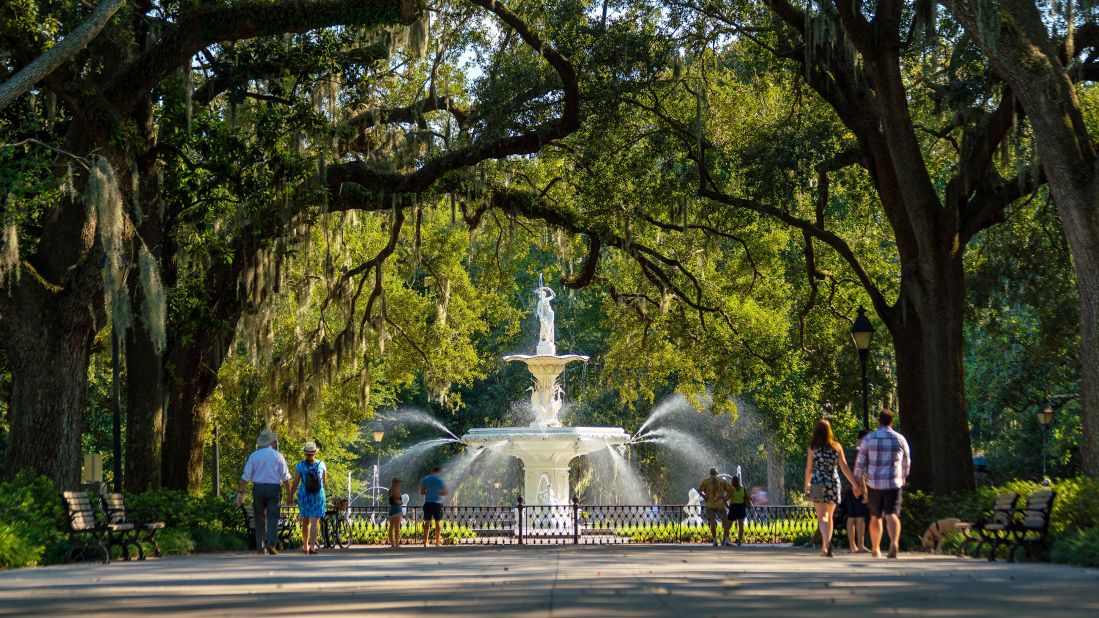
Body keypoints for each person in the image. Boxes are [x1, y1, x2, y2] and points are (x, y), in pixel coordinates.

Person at [853, 409, 911, 558]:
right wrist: (903, 477)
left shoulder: (869, 439)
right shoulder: (900, 439)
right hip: (893, 482)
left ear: (878, 422)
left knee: (875, 516)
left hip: (874, 484)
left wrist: (856, 484)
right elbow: (907, 462)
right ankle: (894, 543)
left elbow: (860, 463)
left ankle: (876, 548)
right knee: (892, 514)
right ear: (892, 422)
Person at [803, 419, 858, 557]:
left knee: (822, 517)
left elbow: (809, 469)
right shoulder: (837, 447)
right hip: (833, 483)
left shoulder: (812, 447)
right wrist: (855, 484)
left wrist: (807, 485)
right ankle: (825, 548)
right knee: (829, 517)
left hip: (818, 482)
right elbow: (844, 467)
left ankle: (827, 543)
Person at [236, 429, 292, 555]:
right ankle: (270, 543)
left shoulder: (254, 455)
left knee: (259, 518)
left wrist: (240, 493)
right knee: (273, 517)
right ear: (272, 442)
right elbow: (286, 477)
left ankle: (260, 547)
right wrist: (290, 494)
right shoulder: (278, 456)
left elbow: (245, 476)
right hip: (274, 489)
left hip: (258, 488)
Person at [288, 441, 326, 554]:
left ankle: (305, 546)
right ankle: (313, 547)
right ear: (315, 453)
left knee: (306, 521)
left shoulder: (300, 465)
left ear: (305, 453)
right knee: (315, 521)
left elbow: (295, 483)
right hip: (318, 496)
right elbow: (324, 481)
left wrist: (290, 495)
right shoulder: (321, 464)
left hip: (304, 495)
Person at [843, 429, 870, 553]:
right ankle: (861, 545)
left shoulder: (848, 451)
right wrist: (864, 491)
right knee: (860, 516)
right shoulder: (861, 452)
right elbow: (862, 473)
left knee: (851, 516)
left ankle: (852, 545)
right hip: (858, 487)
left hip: (847, 487)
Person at [697, 467, 733, 546]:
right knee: (725, 522)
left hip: (710, 504)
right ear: (717, 474)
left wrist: (704, 496)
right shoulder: (721, 481)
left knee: (713, 522)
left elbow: (698, 490)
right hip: (719, 505)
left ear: (709, 474)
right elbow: (731, 490)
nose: (713, 476)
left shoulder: (706, 481)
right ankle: (726, 540)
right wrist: (725, 499)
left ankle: (715, 541)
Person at [421, 466, 448, 547]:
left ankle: (425, 542)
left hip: (428, 503)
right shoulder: (441, 480)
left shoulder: (426, 479)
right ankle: (437, 542)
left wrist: (429, 493)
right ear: (439, 471)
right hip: (437, 503)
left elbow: (422, 492)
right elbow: (445, 492)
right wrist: (437, 493)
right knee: (437, 522)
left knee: (427, 522)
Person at [726, 475, 752, 546]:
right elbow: (749, 498)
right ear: (739, 481)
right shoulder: (743, 489)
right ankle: (739, 542)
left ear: (732, 482)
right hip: (741, 508)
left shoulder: (731, 490)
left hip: (733, 508)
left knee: (728, 526)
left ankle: (724, 540)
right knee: (741, 526)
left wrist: (727, 506)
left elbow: (725, 499)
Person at [388, 478, 404, 548]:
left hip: (392, 509)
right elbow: (396, 501)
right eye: (399, 482)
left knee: (391, 528)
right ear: (396, 483)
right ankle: (397, 544)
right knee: (397, 528)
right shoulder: (396, 490)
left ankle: (392, 544)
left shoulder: (390, 490)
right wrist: (401, 502)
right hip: (397, 509)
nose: (400, 484)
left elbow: (391, 500)